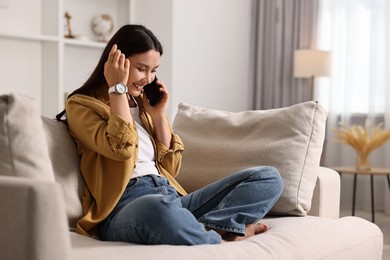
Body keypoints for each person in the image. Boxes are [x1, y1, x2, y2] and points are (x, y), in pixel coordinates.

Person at [57, 24, 284, 245]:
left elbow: (171, 167)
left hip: (171, 197)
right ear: (117, 63)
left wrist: (157, 116)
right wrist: (116, 88)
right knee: (158, 210)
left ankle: (210, 225)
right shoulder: (81, 105)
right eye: (141, 68)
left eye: (153, 71)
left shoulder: (142, 106)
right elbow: (122, 150)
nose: (148, 79)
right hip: (124, 208)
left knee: (268, 177)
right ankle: (216, 237)